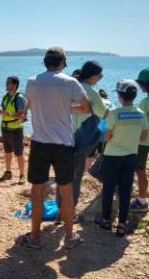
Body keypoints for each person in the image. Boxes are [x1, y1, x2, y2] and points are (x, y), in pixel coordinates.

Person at [19, 47, 90, 249]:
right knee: (66, 191)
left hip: (40, 142)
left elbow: (29, 105)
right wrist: (66, 106)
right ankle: (69, 237)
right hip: (64, 144)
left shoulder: (32, 81)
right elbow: (85, 108)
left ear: (45, 62)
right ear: (63, 62)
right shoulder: (70, 82)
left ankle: (35, 237)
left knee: (37, 190)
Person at [57, 61, 109, 223]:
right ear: (93, 76)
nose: (99, 78)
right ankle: (70, 215)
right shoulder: (91, 91)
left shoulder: (71, 87)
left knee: (63, 175)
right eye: (100, 76)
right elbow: (103, 113)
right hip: (82, 140)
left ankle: (59, 212)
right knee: (76, 177)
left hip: (64, 136)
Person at [100, 80, 148, 237]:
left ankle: (106, 221)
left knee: (108, 188)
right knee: (126, 190)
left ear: (120, 96)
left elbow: (107, 137)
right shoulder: (141, 114)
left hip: (112, 156)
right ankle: (121, 224)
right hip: (130, 156)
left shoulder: (114, 114)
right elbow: (143, 137)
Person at [0, 76, 27, 184]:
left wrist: (9, 114)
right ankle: (8, 172)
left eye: (8, 83)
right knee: (7, 152)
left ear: (14, 85)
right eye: (6, 82)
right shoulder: (5, 97)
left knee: (19, 153)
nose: (6, 84)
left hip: (16, 129)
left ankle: (22, 175)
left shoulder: (20, 97)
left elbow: (22, 114)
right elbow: (3, 112)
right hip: (5, 128)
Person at [132, 68, 149, 211]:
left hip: (143, 142)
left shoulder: (145, 102)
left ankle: (142, 201)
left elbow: (138, 123)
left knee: (140, 171)